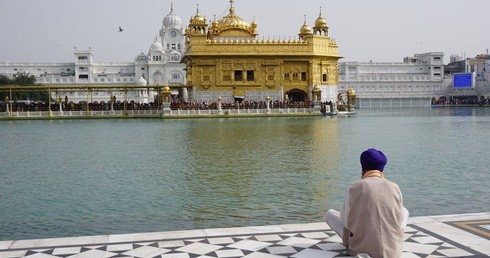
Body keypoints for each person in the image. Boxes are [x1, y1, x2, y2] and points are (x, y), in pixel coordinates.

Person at [325, 148, 409, 258]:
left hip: (359, 248)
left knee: (329, 214)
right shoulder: (395, 187)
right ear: (382, 169)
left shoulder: (354, 187)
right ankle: (394, 240)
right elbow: (398, 217)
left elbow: (344, 220)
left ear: (363, 167)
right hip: (393, 251)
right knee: (404, 210)